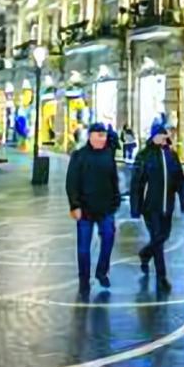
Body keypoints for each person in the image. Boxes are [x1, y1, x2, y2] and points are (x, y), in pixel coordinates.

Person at [131, 121, 184, 292]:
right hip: (150, 207)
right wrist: (136, 209)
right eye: (159, 135)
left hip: (168, 207)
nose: (162, 138)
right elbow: (137, 184)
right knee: (158, 240)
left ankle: (145, 254)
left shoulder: (172, 155)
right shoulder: (144, 156)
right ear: (153, 137)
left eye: (163, 135)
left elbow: (179, 180)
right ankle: (162, 277)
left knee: (163, 236)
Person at [66, 122, 121, 293]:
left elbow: (114, 180)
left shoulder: (108, 155)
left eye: (104, 136)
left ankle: (101, 272)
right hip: (84, 210)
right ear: (90, 136)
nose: (102, 139)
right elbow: (71, 182)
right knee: (83, 247)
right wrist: (74, 205)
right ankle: (84, 279)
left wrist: (116, 200)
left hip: (106, 209)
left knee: (109, 238)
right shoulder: (79, 156)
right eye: (99, 135)